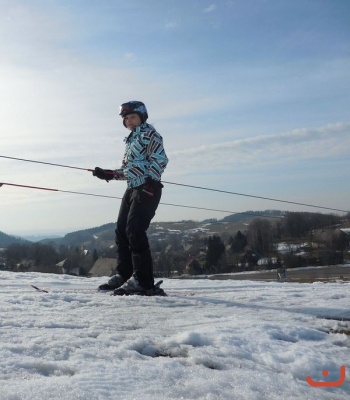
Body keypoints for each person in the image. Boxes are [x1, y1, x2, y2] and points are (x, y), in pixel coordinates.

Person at [93, 101, 168, 295]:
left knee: (135, 231)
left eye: (132, 117)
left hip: (147, 188)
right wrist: (110, 174)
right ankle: (125, 273)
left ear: (142, 117)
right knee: (121, 231)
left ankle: (143, 281)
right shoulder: (131, 140)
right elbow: (130, 170)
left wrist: (151, 181)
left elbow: (160, 159)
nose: (129, 121)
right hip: (133, 187)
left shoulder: (150, 134)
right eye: (126, 119)